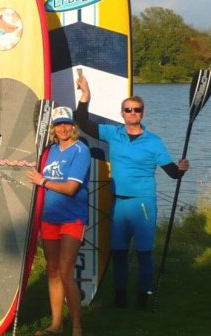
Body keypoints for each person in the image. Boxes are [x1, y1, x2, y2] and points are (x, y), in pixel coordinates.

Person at [76, 75, 189, 308]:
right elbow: (81, 121)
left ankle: (143, 295)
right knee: (118, 252)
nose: (132, 113)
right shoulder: (112, 133)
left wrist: (182, 169)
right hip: (119, 204)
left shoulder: (154, 141)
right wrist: (85, 95)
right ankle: (120, 296)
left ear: (143, 114)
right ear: (122, 113)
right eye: (128, 109)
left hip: (143, 204)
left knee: (144, 253)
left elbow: (173, 174)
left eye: (136, 110)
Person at [26, 107, 91, 336]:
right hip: (49, 218)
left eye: (67, 124)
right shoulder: (48, 151)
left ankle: (76, 326)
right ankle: (56, 324)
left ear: (73, 126)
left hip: (72, 218)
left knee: (65, 271)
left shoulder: (80, 150)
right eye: (58, 124)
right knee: (53, 270)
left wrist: (43, 181)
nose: (63, 128)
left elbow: (72, 188)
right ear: (52, 128)